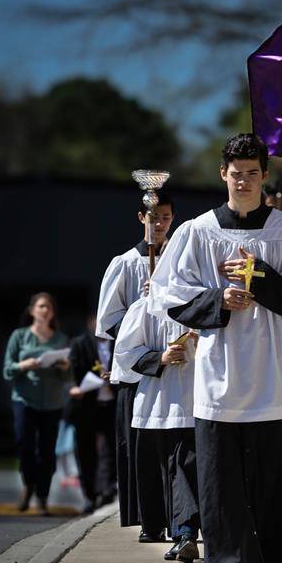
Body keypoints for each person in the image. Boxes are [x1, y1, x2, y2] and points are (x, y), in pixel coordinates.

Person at [148, 133, 282, 563]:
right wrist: (219, 300)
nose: (245, 181)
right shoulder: (196, 231)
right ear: (222, 175)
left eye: (254, 173)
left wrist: (260, 278)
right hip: (219, 377)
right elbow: (167, 295)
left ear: (264, 176)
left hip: (276, 376)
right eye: (237, 173)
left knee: (274, 485)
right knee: (221, 487)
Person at [96, 192, 174, 539]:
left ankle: (180, 515)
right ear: (141, 217)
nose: (159, 225)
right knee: (139, 447)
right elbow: (108, 321)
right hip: (137, 369)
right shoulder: (125, 263)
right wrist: (140, 314)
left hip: (177, 364)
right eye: (153, 218)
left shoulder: (179, 261)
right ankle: (148, 517)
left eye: (166, 218)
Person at [114, 296, 200, 563]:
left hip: (195, 400)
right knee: (165, 472)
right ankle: (178, 533)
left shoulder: (202, 305)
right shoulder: (144, 307)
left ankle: (185, 533)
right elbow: (125, 351)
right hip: (158, 401)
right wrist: (160, 357)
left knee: (184, 468)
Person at [3, 292, 70, 515]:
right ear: (32, 310)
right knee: (25, 445)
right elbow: (7, 370)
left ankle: (42, 496)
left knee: (48, 451)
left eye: (49, 307)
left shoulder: (60, 339)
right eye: (41, 306)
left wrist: (63, 368)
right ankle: (29, 483)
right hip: (24, 398)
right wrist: (24, 365)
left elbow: (67, 377)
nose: (45, 310)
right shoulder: (19, 336)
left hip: (52, 401)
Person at [66, 314, 117, 514]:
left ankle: (106, 490)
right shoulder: (79, 344)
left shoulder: (117, 341)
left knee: (110, 449)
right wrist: (74, 388)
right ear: (91, 322)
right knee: (85, 451)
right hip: (85, 405)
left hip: (111, 404)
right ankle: (90, 494)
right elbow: (70, 373)